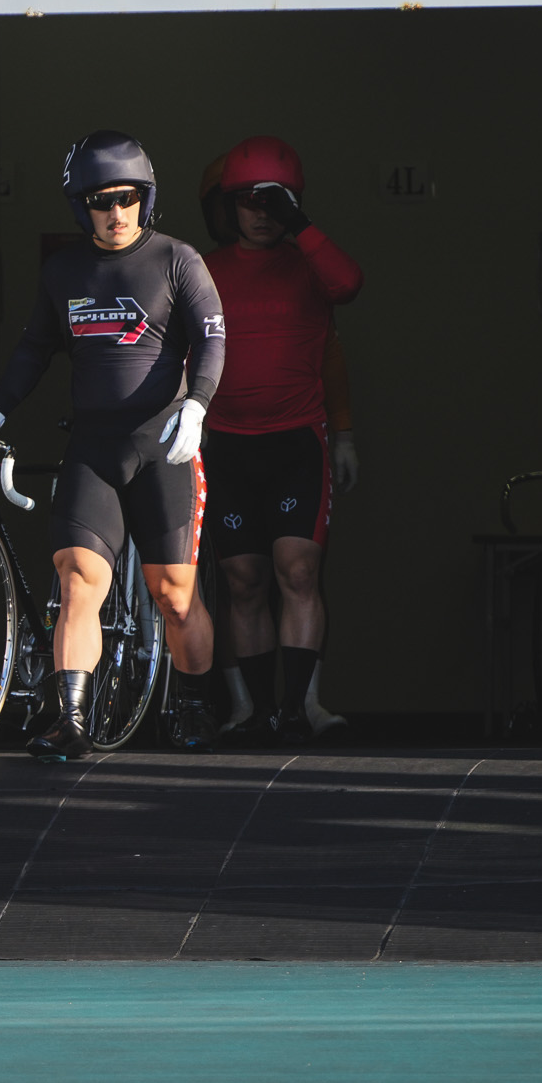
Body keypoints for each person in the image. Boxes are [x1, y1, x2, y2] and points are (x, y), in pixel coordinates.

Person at [0, 130, 226, 760]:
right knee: (78, 579)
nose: (116, 213)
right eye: (101, 201)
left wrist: (196, 405)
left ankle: (193, 705)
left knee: (173, 594)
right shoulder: (63, 271)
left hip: (161, 446)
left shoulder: (176, 259)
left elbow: (213, 338)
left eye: (128, 198)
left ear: (146, 199)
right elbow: (34, 348)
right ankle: (71, 720)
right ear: (82, 206)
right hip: (92, 447)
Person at [200, 136, 363, 745]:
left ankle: (298, 708)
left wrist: (342, 436)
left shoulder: (311, 268)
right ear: (228, 206)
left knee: (298, 571)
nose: (260, 214)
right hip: (228, 446)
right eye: (248, 201)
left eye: (275, 202)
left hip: (297, 441)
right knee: (244, 580)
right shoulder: (206, 271)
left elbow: (349, 284)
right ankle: (258, 710)